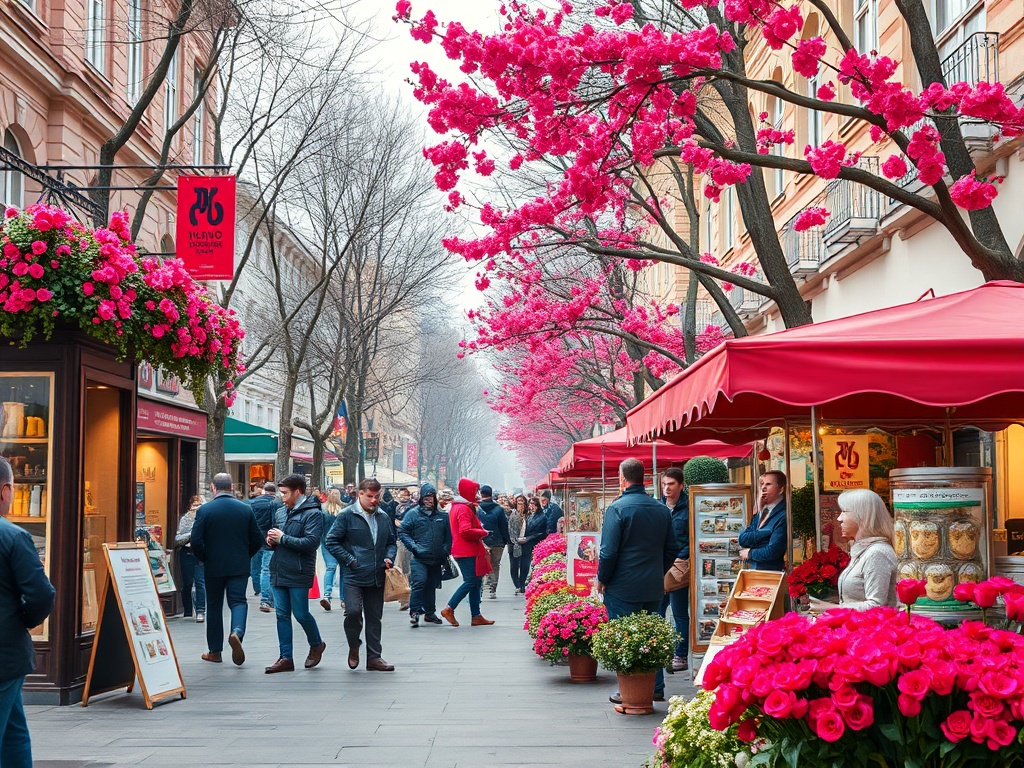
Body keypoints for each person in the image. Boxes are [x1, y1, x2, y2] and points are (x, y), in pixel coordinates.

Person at [596, 458, 676, 708]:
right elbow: (672, 548)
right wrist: (657, 570)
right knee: (652, 633)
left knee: (624, 636)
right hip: (652, 584)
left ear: (622, 478)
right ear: (643, 478)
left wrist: (602, 579)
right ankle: (656, 686)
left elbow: (608, 552)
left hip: (622, 585)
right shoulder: (661, 509)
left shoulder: (617, 508)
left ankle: (629, 690)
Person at [0, 456, 55, 767]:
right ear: (5, 490)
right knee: (11, 732)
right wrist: (22, 620)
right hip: (5, 653)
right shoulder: (14, 536)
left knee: (14, 730)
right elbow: (41, 594)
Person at [325, 478, 398, 672]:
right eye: (370, 496)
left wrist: (389, 557)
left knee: (374, 617)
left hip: (377, 575)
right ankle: (354, 645)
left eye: (377, 496)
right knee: (353, 612)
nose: (374, 500)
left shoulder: (382, 516)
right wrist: (350, 560)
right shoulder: (346, 515)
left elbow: (391, 541)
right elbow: (331, 541)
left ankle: (374, 657)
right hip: (353, 574)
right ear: (360, 494)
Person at [191, 473, 264, 666]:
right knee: (238, 601)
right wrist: (245, 554)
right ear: (232, 486)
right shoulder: (245, 509)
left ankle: (215, 651)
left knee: (214, 606)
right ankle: (237, 632)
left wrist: (205, 558)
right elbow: (257, 539)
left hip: (213, 566)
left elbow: (196, 541)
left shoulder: (205, 510)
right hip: (239, 565)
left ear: (213, 487)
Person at [264, 475, 326, 673]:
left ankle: (316, 644)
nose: (282, 497)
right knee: (282, 614)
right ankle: (285, 657)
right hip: (278, 568)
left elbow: (311, 544)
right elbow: (278, 537)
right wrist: (272, 541)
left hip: (299, 570)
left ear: (298, 491)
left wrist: (283, 539)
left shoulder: (313, 514)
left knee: (300, 613)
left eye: (285, 493)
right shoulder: (281, 512)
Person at [811, 489, 898, 612]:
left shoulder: (877, 552)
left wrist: (832, 608)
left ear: (861, 515)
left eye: (844, 512)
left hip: (871, 630)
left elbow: (876, 606)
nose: (839, 519)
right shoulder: (862, 550)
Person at [440, 478, 494, 627]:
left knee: (476, 582)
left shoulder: (458, 506)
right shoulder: (463, 508)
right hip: (466, 551)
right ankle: (449, 608)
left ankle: (476, 615)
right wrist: (483, 532)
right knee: (471, 581)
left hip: (464, 550)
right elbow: (465, 531)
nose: (476, 494)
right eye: (474, 491)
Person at [398, 483, 452, 627]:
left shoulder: (442, 516)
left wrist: (446, 550)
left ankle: (429, 613)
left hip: (437, 557)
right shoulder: (413, 514)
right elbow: (403, 531)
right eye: (426, 497)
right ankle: (415, 612)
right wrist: (414, 547)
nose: (429, 500)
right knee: (419, 583)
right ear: (421, 498)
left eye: (431, 497)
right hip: (419, 557)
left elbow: (449, 536)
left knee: (431, 585)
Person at [660, 467, 690, 673]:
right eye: (664, 484)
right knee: (658, 611)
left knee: (679, 612)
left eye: (671, 484)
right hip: (658, 566)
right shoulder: (657, 507)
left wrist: (681, 555)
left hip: (679, 566)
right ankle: (660, 651)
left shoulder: (689, 507)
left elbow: (693, 536)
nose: (667, 488)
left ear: (681, 485)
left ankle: (680, 654)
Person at [737, 471, 788, 571]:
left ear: (781, 489)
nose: (763, 488)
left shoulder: (783, 515)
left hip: (771, 572)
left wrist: (749, 553)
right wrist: (765, 532)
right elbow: (743, 539)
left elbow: (772, 552)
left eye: (768, 484)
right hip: (754, 569)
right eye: (762, 484)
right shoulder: (761, 512)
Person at [250, 483, 283, 613]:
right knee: (267, 569)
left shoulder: (254, 503)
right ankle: (267, 599)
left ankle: (258, 590)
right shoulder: (276, 503)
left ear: (264, 491)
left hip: (256, 538)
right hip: (270, 538)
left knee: (256, 567)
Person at [175, 494, 207, 622]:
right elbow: (178, 539)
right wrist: (192, 532)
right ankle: (187, 610)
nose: (196, 508)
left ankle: (200, 611)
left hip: (200, 553)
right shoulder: (185, 519)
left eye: (199, 505)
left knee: (200, 582)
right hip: (186, 552)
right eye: (194, 505)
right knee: (187, 583)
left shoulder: (207, 518)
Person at [477, 485, 511, 599]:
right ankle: (493, 588)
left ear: (481, 494)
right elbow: (504, 527)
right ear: (491, 494)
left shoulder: (477, 509)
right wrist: (506, 540)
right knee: (495, 565)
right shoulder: (499, 509)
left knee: (482, 564)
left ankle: (481, 587)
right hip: (497, 541)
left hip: (481, 541)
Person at [319, 489, 345, 612]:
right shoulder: (345, 509)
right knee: (344, 570)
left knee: (330, 568)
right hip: (343, 544)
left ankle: (327, 595)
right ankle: (344, 599)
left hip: (327, 543)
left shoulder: (323, 509)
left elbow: (319, 528)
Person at [518, 496, 548, 584]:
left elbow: (540, 532)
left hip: (537, 542)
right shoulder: (530, 516)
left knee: (534, 562)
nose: (531, 506)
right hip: (528, 543)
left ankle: (531, 578)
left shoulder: (542, 517)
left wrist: (527, 538)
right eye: (530, 504)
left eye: (533, 504)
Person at [507, 495, 529, 594]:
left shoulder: (528, 515)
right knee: (514, 565)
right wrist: (515, 541)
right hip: (513, 544)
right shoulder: (513, 515)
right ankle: (517, 584)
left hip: (525, 544)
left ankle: (522, 583)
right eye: (519, 503)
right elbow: (510, 530)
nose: (521, 505)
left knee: (525, 566)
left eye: (522, 503)